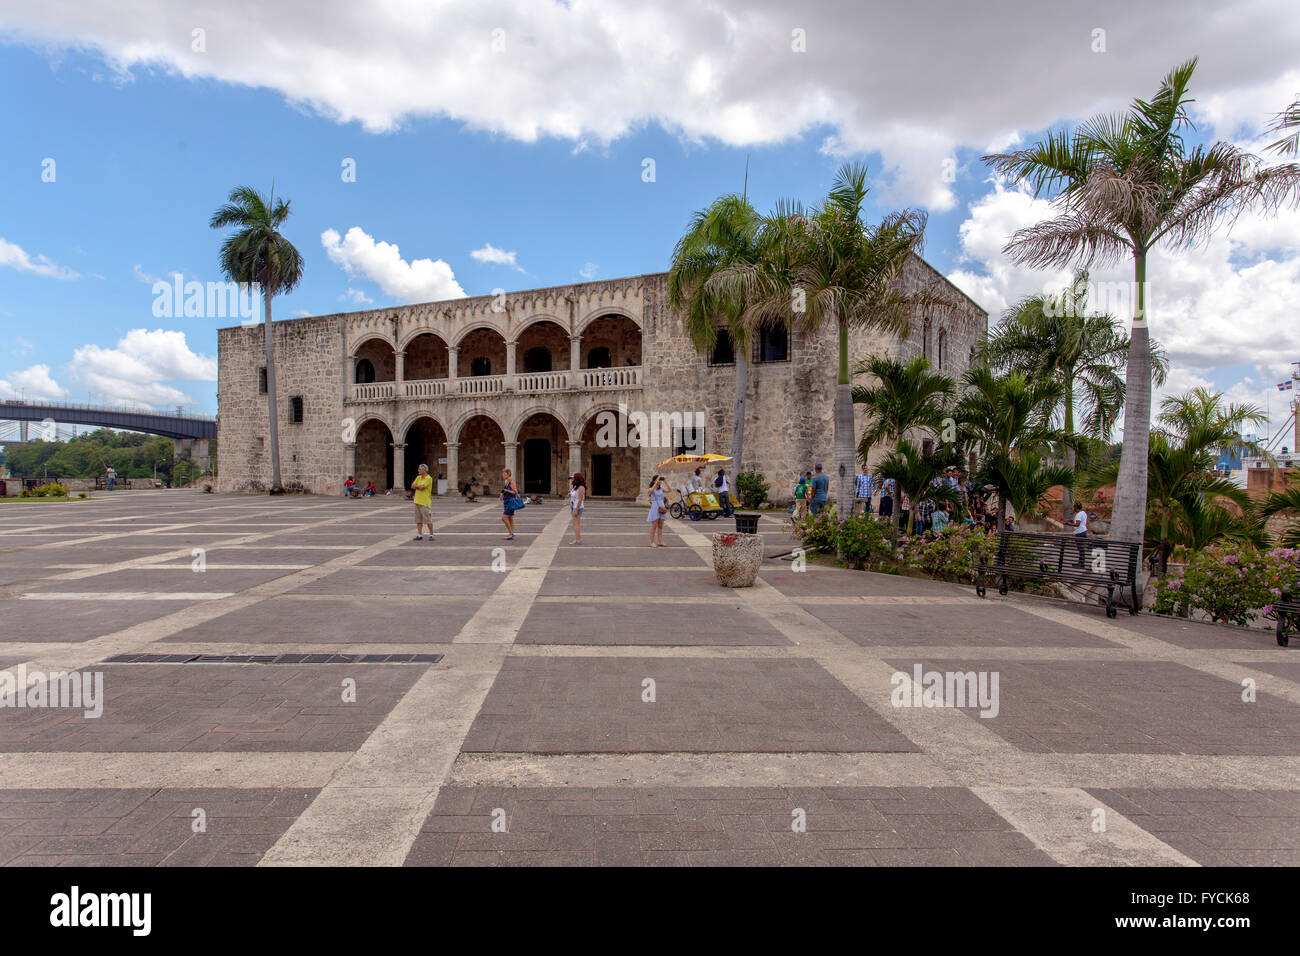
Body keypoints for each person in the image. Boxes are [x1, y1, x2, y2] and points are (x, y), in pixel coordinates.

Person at [411, 464, 434, 541]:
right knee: (418, 520)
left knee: (428, 519)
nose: (418, 470)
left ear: (424, 470)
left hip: (425, 502)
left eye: (420, 469)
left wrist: (417, 486)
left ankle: (431, 534)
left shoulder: (429, 478)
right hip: (417, 501)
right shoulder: (418, 477)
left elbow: (422, 487)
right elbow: (412, 486)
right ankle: (419, 534)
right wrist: (418, 486)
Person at [647, 474, 668, 547]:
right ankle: (652, 542)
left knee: (660, 526)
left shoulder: (661, 489)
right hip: (655, 507)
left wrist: (666, 482)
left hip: (662, 506)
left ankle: (660, 541)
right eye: (658, 479)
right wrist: (656, 483)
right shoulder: (651, 488)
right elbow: (651, 491)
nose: (659, 480)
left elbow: (670, 490)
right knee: (654, 525)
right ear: (654, 480)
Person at [500, 468, 521, 540]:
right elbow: (504, 490)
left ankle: (511, 534)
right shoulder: (507, 482)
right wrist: (501, 494)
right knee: (510, 518)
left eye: (504, 474)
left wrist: (506, 490)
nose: (503, 475)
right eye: (503, 474)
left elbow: (514, 492)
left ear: (508, 474)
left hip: (510, 502)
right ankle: (511, 533)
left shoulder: (512, 482)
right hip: (506, 502)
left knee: (504, 518)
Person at [569, 472, 586, 544]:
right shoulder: (575, 487)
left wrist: (576, 509)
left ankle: (577, 539)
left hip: (578, 507)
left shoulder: (581, 488)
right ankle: (578, 539)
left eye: (573, 478)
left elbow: (580, 499)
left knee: (576, 524)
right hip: (574, 506)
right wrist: (571, 504)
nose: (572, 479)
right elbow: (573, 497)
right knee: (575, 524)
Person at [1071, 503, 1089, 567]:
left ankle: (1081, 564)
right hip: (1083, 531)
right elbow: (1081, 523)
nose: (1074, 509)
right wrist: (1073, 522)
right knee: (1082, 548)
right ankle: (1081, 563)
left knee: (1080, 549)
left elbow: (1077, 525)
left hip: (1079, 533)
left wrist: (1069, 524)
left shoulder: (1078, 514)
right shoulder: (1083, 513)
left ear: (1076, 507)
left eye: (1074, 507)